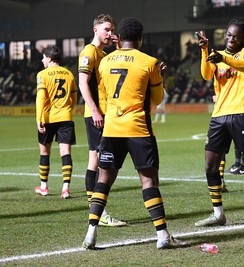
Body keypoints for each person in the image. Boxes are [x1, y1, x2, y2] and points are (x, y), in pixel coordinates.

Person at [82, 17, 187, 250]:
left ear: (120, 36)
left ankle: (90, 234)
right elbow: (157, 101)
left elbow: (104, 97)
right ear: (140, 38)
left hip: (111, 129)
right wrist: (159, 79)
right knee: (148, 180)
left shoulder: (105, 62)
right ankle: (162, 235)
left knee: (104, 180)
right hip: (138, 128)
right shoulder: (150, 62)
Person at [194, 19, 244, 230]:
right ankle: (218, 214)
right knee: (210, 165)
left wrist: (223, 57)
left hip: (241, 114)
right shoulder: (217, 54)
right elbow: (206, 74)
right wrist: (204, 51)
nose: (230, 38)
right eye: (228, 35)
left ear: (243, 38)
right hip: (219, 116)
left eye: (235, 36)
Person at [78, 14, 126, 227]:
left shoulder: (102, 53)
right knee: (98, 162)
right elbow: (82, 84)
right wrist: (95, 111)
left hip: (105, 113)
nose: (110, 33)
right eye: (106, 29)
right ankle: (98, 211)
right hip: (97, 115)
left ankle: (97, 211)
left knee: (98, 161)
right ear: (95, 29)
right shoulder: (89, 52)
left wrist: (118, 51)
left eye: (112, 29)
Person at [34, 45, 77, 199]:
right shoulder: (69, 74)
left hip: (47, 118)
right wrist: (68, 110)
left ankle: (44, 187)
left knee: (44, 152)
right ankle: (65, 188)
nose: (42, 60)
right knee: (65, 153)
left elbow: (41, 98)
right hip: (65, 117)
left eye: (44, 57)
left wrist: (39, 118)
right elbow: (74, 97)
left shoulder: (42, 75)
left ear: (50, 59)